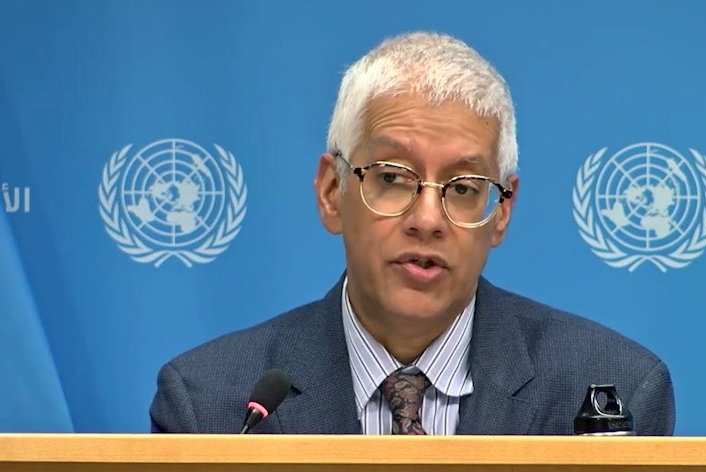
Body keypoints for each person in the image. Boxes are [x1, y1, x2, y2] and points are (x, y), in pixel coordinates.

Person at [149, 31, 675, 436]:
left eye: (463, 187)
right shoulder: (209, 404)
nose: (427, 219)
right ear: (331, 192)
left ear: (502, 212)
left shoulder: (614, 389)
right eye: (392, 178)